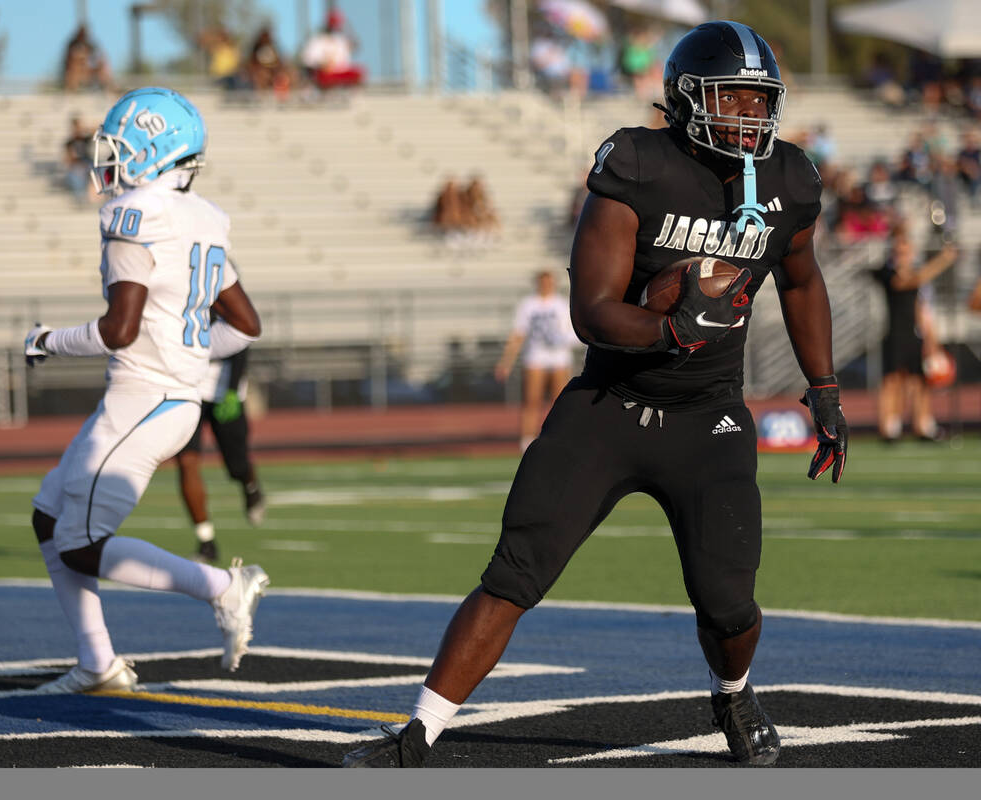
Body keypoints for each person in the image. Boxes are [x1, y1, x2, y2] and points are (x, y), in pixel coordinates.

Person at [343, 21, 846, 768]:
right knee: (514, 572)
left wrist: (825, 388)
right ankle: (418, 733)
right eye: (731, 98)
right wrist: (669, 329)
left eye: (758, 100)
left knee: (729, 603)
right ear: (685, 100)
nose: (749, 115)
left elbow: (802, 280)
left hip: (708, 417)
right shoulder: (638, 164)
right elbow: (593, 310)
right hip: (608, 407)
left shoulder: (790, 178)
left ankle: (734, 691)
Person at [25, 87, 269, 693]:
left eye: (123, 148)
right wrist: (188, 354)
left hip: (146, 398)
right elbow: (245, 325)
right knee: (49, 515)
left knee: (78, 545)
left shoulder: (134, 216)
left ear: (157, 153)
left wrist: (46, 341)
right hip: (168, 397)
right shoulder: (201, 218)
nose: (110, 160)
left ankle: (222, 586)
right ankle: (97, 662)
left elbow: (118, 330)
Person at [174, 347, 266, 565]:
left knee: (237, 466)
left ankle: (250, 486)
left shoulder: (220, 311)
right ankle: (206, 542)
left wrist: (233, 389)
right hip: (187, 388)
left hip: (222, 385)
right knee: (186, 462)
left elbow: (242, 335)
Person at [874, 230, 958, 442]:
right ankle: (889, 426)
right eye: (899, 250)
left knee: (920, 381)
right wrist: (944, 260)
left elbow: (923, 311)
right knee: (892, 380)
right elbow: (909, 281)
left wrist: (932, 340)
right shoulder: (887, 273)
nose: (903, 254)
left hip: (913, 335)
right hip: (894, 333)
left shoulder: (919, 281)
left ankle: (923, 425)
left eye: (906, 250)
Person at [494, 270, 579, 452]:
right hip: (535, 356)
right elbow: (518, 334)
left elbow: (573, 332)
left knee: (560, 401)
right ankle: (527, 441)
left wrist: (563, 340)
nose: (546, 286)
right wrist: (506, 362)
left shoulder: (561, 304)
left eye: (549, 282)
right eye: (543, 282)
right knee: (531, 401)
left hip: (559, 358)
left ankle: (560, 436)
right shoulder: (528, 305)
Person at [300, 7, 366, 93]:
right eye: (333, 25)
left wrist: (348, 29)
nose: (334, 28)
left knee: (358, 72)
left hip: (339, 73)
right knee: (323, 77)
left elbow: (354, 47)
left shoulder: (341, 40)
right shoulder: (318, 40)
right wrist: (321, 63)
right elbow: (307, 59)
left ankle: (349, 93)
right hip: (324, 73)